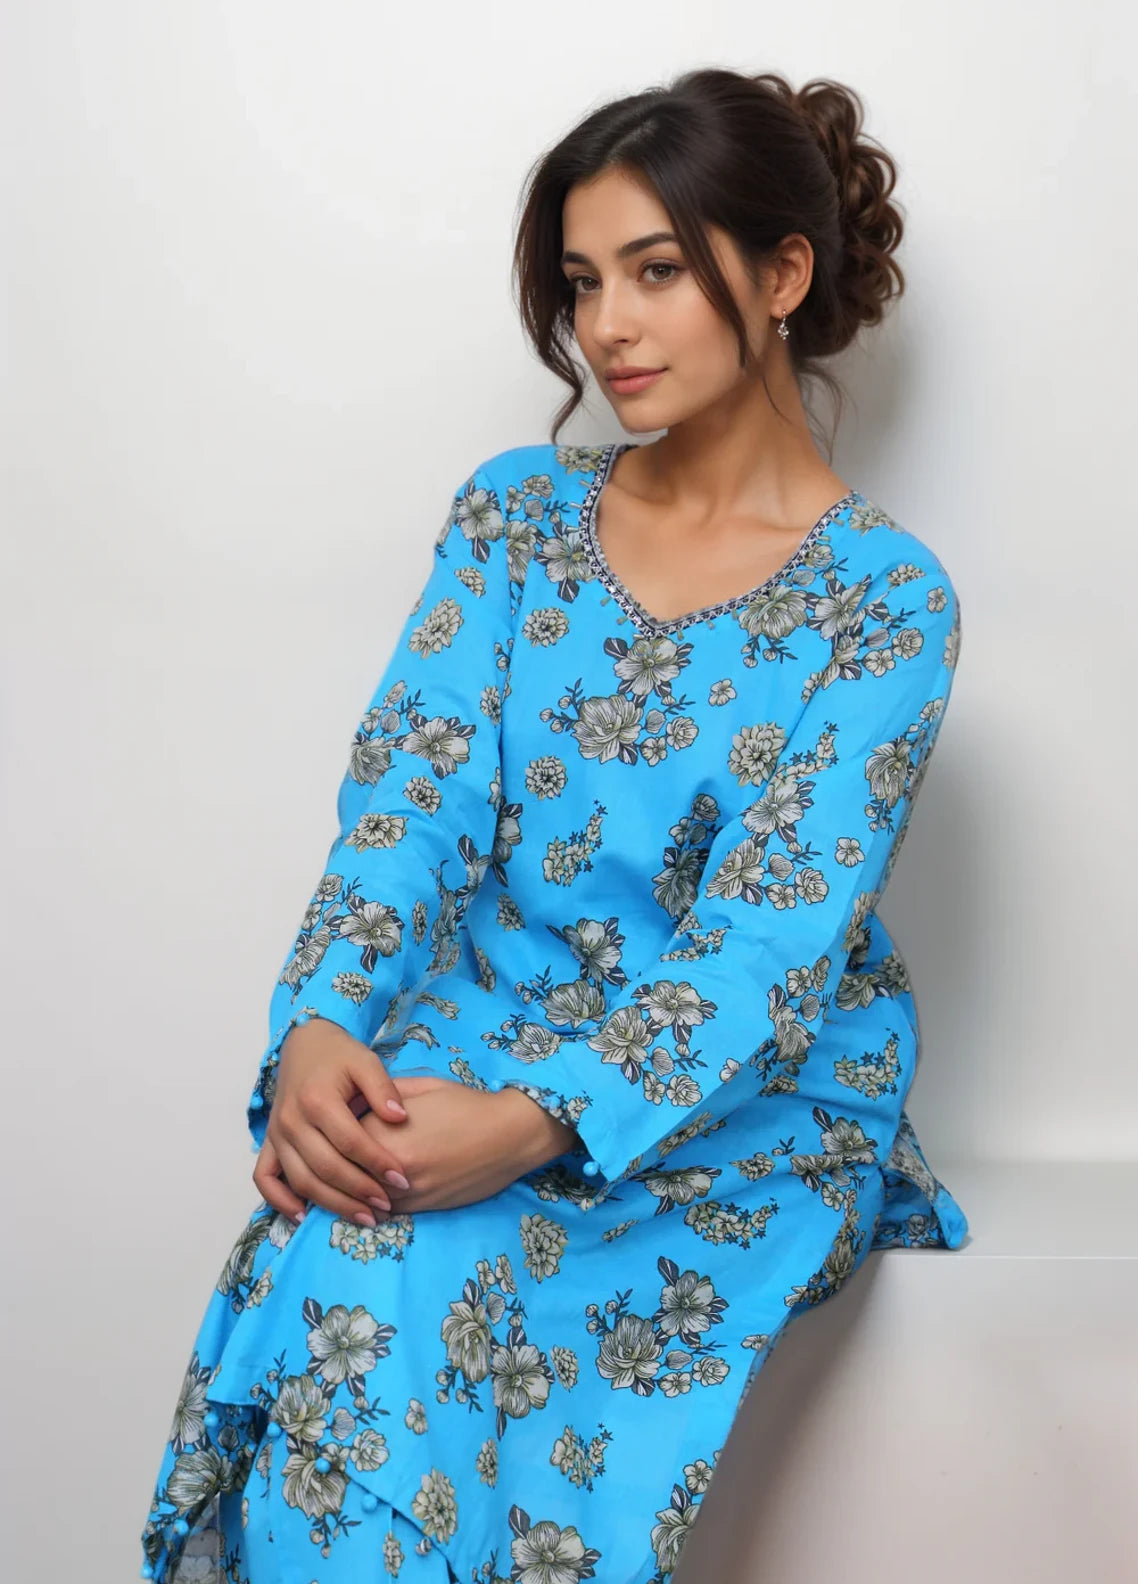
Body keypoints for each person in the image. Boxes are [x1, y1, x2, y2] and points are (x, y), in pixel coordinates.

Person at [139, 66, 968, 1584]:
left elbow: (765, 951)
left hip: (742, 1097)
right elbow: (414, 800)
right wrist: (320, 1025)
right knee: (352, 1246)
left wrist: (535, 1126)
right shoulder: (516, 517)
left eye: (656, 271)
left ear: (782, 275)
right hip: (492, 1020)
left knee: (404, 1258)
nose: (608, 328)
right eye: (583, 283)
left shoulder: (883, 602)